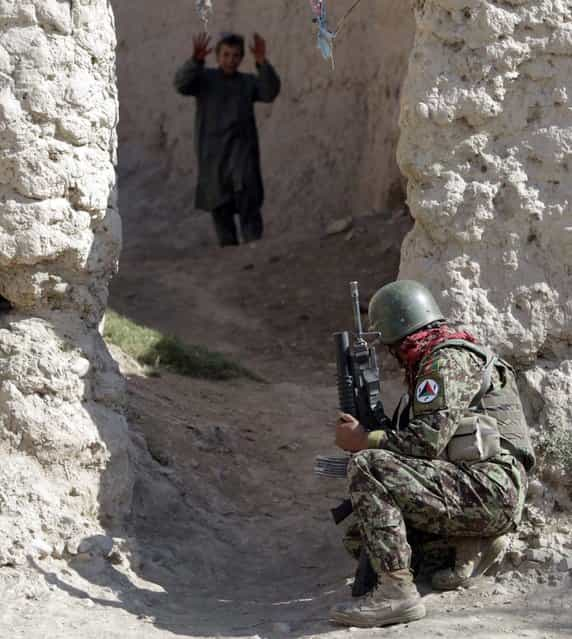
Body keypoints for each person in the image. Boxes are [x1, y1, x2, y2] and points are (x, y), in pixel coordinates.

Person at [330, 280, 535, 628]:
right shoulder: (441, 358)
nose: (392, 353)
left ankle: (397, 595)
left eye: (390, 343)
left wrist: (366, 439)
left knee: (369, 466)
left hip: (489, 488)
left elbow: (424, 444)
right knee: (360, 534)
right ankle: (465, 548)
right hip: (477, 489)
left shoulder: (446, 362)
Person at [174, 32, 281, 247]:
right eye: (226, 55)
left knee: (249, 210)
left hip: (243, 159)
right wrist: (195, 61)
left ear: (241, 58)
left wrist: (262, 63)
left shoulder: (247, 83)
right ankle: (231, 267)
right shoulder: (205, 80)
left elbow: (269, 92)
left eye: (235, 56)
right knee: (221, 216)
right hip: (214, 160)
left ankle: (255, 259)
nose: (230, 60)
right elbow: (181, 84)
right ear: (218, 56)